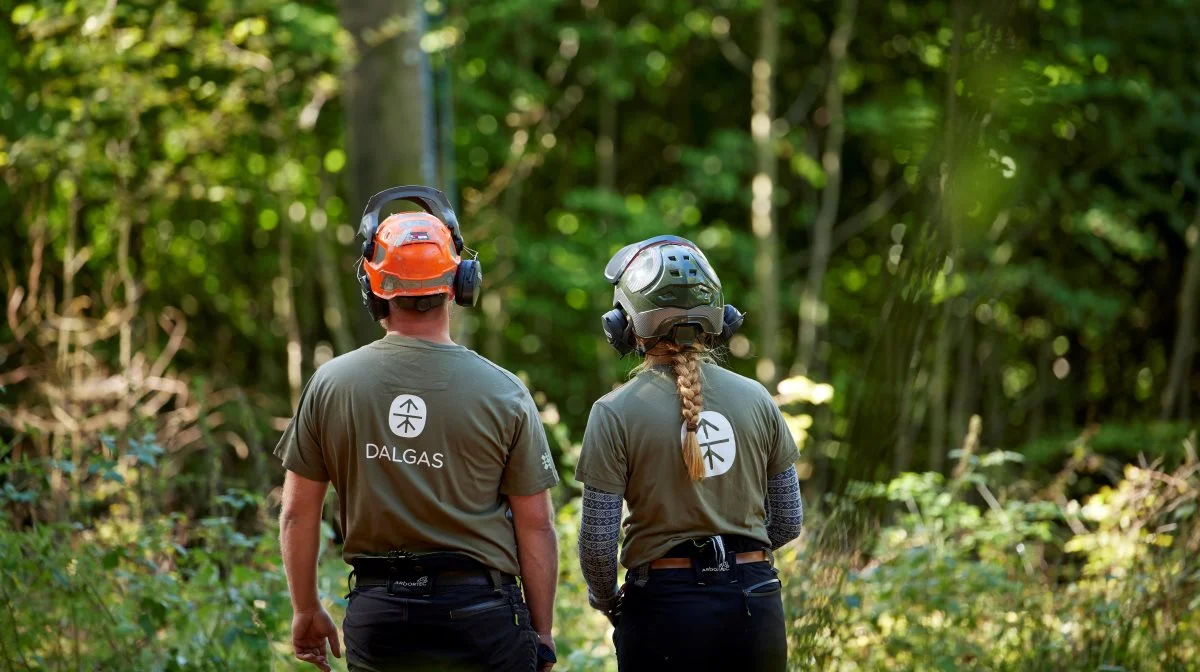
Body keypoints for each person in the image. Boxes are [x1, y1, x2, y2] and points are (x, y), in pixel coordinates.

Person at [275, 186, 560, 672]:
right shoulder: (504, 391)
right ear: (460, 282)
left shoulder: (331, 383)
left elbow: (298, 514)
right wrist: (541, 632)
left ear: (372, 287)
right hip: (483, 618)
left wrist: (305, 610)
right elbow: (536, 524)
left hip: (380, 619)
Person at [576, 235, 803, 671]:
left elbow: (598, 545)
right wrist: (737, 550)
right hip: (755, 603)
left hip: (665, 606)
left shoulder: (614, 412)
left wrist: (607, 600)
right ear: (721, 319)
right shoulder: (757, 399)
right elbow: (789, 519)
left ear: (624, 324)